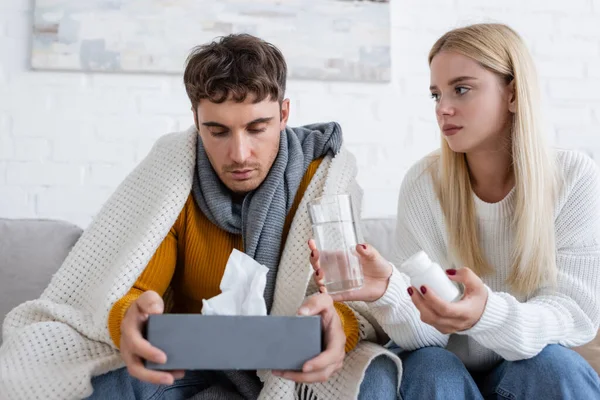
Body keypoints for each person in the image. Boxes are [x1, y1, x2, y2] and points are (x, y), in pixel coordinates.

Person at [0, 34, 401, 400]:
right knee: (114, 386)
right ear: (196, 122)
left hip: (287, 363)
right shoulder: (174, 173)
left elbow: (351, 303)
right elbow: (133, 290)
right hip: (188, 357)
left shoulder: (323, 180)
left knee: (372, 379)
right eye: (218, 131)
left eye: (257, 128)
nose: (240, 154)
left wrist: (338, 329)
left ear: (284, 114)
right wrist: (130, 319)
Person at [310, 23, 600, 399]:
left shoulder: (572, 177)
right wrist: (389, 291)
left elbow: (572, 315)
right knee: (432, 367)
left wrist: (486, 315)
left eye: (461, 89)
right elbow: (428, 335)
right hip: (438, 368)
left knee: (552, 366)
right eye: (436, 95)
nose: (443, 108)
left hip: (526, 366)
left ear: (512, 93)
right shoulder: (423, 184)